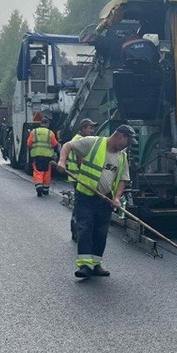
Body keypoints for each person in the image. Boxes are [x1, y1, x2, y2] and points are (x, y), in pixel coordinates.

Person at [58, 123, 135, 278]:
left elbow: (122, 180)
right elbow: (67, 145)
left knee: (100, 232)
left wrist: (117, 198)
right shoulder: (93, 142)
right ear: (120, 136)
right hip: (86, 196)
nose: (127, 146)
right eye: (127, 141)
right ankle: (85, 265)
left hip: (105, 199)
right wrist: (61, 160)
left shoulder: (122, 157)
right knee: (85, 228)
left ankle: (96, 264)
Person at [25, 112, 58, 196]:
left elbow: (28, 143)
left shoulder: (34, 132)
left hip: (36, 156)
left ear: (41, 123)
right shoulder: (50, 133)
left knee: (38, 172)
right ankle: (46, 189)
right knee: (47, 172)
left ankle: (39, 187)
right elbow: (55, 144)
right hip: (48, 157)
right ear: (47, 124)